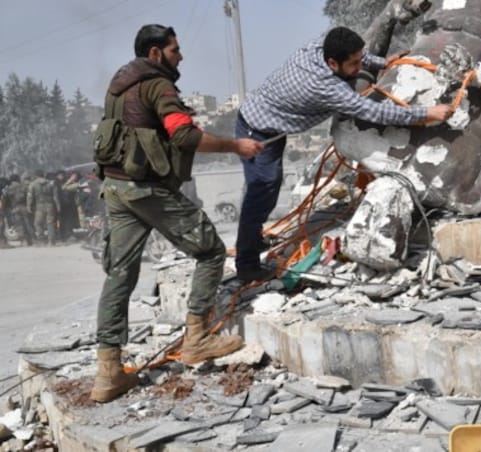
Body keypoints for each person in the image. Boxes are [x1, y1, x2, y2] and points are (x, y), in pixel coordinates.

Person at [90, 24, 263, 403]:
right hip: (146, 190)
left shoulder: (118, 85)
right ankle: (197, 338)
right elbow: (183, 135)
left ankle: (108, 373)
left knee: (120, 275)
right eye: (174, 50)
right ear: (155, 54)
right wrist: (237, 145)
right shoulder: (157, 84)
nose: (180, 56)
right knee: (211, 251)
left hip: (117, 190)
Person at [234, 26, 454, 283]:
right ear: (332, 63)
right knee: (262, 191)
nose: (359, 66)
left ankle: (252, 238)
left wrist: (382, 61)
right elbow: (373, 112)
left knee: (269, 188)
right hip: (257, 131)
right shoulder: (325, 87)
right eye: (354, 64)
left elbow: (358, 56)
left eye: (360, 60)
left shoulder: (320, 45)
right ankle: (247, 264)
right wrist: (425, 114)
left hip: (270, 122)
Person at [27, 170, 60, 246]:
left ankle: (41, 241)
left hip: (39, 206)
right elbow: (55, 196)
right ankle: (51, 241)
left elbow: (30, 197)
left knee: (38, 223)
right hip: (50, 205)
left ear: (36, 175)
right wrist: (58, 206)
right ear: (43, 175)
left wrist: (29, 206)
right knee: (50, 223)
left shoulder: (33, 184)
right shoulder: (51, 183)